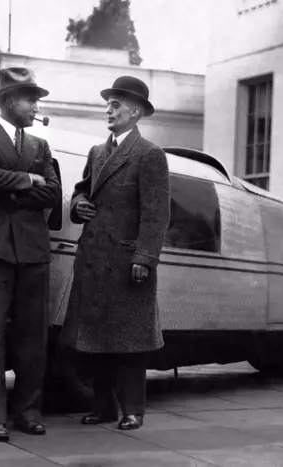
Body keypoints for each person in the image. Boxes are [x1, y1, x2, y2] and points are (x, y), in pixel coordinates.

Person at [59, 75, 171, 431]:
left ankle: (132, 410)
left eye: (117, 104)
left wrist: (144, 258)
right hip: (93, 260)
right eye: (108, 103)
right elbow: (81, 191)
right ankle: (104, 407)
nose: (109, 109)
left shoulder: (150, 155)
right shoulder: (97, 152)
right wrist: (78, 206)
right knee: (95, 342)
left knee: (129, 344)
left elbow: (157, 214)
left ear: (135, 112)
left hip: (127, 264)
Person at [0, 67, 62, 442]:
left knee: (33, 337)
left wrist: (9, 185)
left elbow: (52, 194)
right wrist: (27, 180)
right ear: (8, 101)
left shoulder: (41, 146)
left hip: (33, 251)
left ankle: (29, 412)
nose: (37, 105)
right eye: (30, 98)